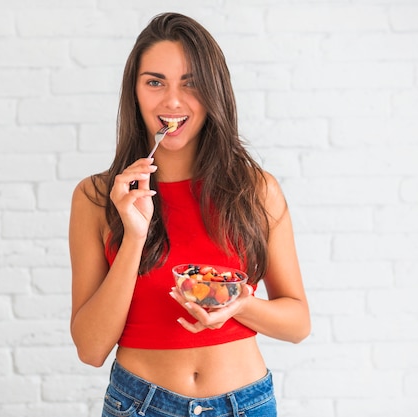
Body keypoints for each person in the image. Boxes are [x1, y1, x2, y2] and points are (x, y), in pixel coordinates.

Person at [68, 12, 310, 417]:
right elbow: (91, 350)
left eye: (191, 82)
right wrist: (134, 237)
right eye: (155, 82)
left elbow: (298, 323)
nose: (172, 101)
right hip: (139, 405)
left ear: (214, 91)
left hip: (245, 405)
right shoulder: (95, 198)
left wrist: (242, 306)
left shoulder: (257, 190)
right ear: (135, 91)